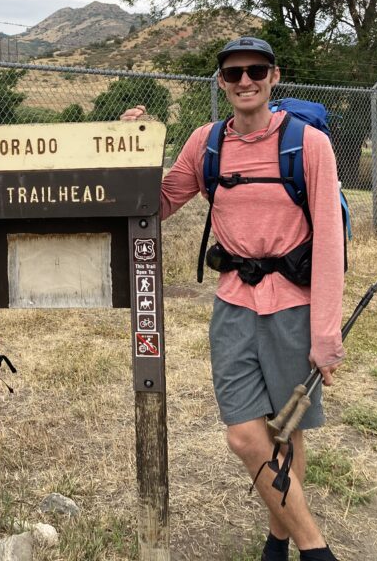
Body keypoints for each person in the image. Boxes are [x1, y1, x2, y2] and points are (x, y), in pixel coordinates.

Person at [122, 36, 345, 561]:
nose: (245, 81)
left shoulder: (308, 144)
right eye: (233, 73)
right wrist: (134, 147)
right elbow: (157, 204)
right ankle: (317, 548)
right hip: (233, 304)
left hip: (294, 303)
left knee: (286, 434)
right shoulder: (206, 144)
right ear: (221, 82)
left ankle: (278, 543)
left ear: (274, 76)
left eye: (256, 71)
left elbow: (330, 239)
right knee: (247, 437)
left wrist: (326, 331)